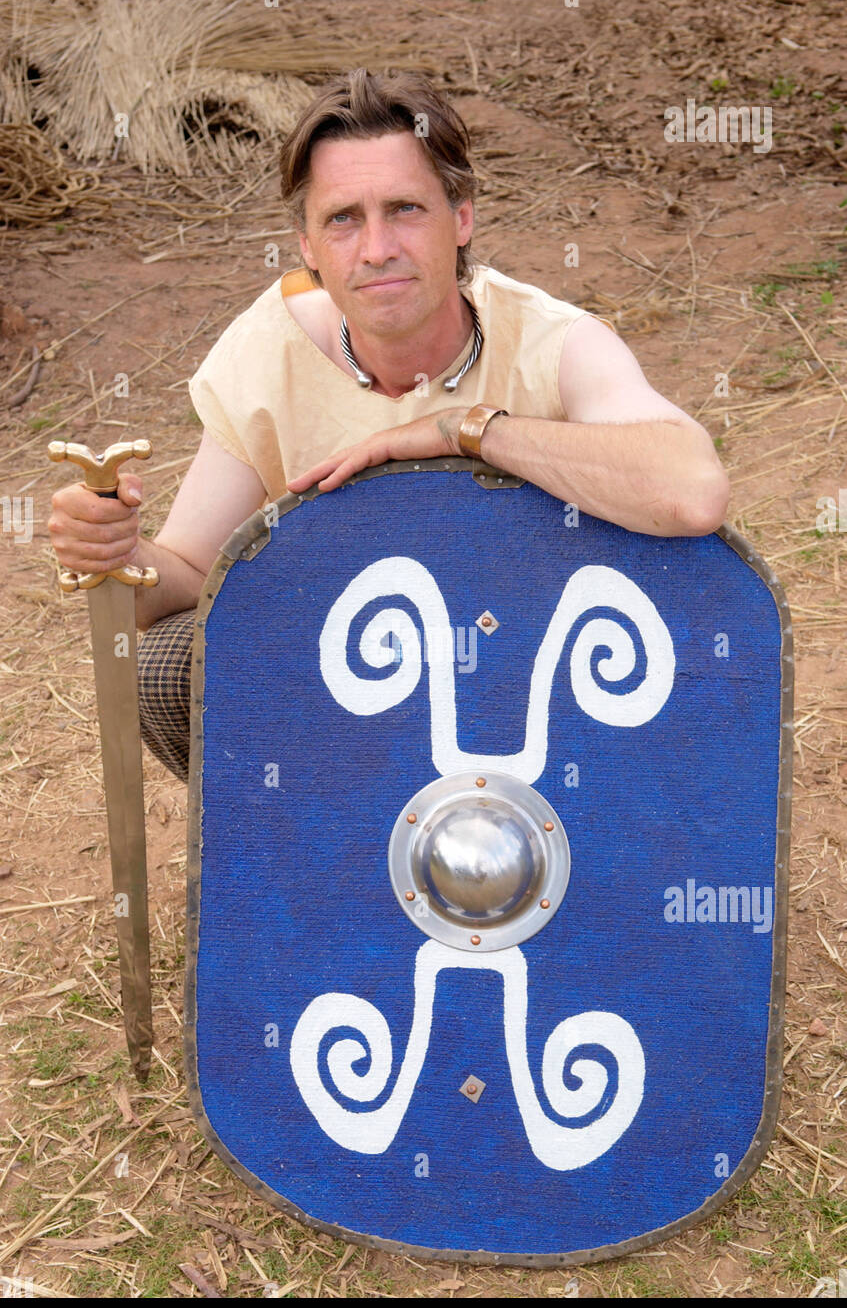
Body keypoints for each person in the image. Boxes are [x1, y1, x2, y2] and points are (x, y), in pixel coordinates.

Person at [48, 69, 729, 782]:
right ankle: (312, 866)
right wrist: (116, 554)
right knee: (168, 663)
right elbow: (186, 579)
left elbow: (691, 491)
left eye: (404, 209)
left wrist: (461, 429)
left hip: (542, 693)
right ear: (307, 244)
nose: (375, 249)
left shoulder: (552, 343)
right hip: (351, 694)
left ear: (460, 217)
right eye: (342, 218)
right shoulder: (268, 352)